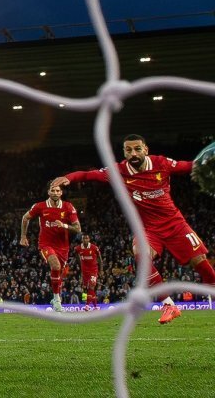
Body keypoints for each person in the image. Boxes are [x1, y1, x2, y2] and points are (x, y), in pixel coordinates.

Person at [52, 134, 215, 324]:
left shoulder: (161, 163)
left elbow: (187, 166)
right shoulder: (119, 170)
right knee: (140, 254)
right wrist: (69, 178)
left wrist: (205, 162)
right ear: (124, 152)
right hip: (148, 229)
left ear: (146, 149)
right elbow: (90, 175)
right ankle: (169, 305)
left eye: (137, 148)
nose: (133, 153)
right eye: (128, 150)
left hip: (175, 224)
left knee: (200, 263)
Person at [20, 184, 81, 312]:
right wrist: (23, 236)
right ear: (48, 192)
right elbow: (25, 218)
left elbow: (77, 228)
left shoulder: (68, 206)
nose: (55, 192)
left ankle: (55, 298)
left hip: (63, 247)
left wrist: (64, 225)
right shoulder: (40, 206)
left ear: (61, 192)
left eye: (57, 190)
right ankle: (57, 300)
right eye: (52, 190)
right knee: (56, 266)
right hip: (45, 244)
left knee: (59, 273)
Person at [74, 233, 103, 311]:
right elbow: (75, 253)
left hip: (93, 270)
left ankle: (87, 306)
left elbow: (100, 258)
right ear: (82, 239)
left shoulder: (94, 248)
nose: (85, 240)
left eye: (87, 238)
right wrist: (80, 264)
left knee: (91, 286)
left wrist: (101, 270)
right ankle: (95, 307)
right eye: (84, 238)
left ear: (89, 239)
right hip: (85, 271)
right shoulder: (78, 248)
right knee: (90, 289)